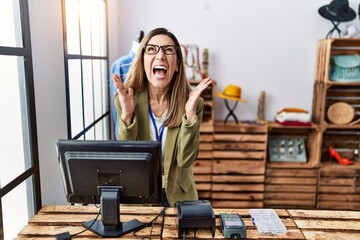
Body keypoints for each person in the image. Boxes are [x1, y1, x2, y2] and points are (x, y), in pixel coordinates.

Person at [112, 27, 213, 207]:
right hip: (140, 194)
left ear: (178, 65)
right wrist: (128, 115)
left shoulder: (192, 104)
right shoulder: (127, 101)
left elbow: (185, 160)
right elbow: (127, 158)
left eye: (168, 50)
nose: (160, 56)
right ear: (142, 60)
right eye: (151, 49)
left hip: (178, 194)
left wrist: (189, 116)